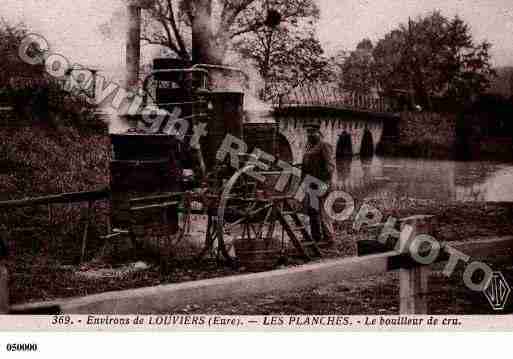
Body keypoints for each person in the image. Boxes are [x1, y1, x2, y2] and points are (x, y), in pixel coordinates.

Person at [302, 123, 336, 244]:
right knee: (312, 211)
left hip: (321, 183)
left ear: (318, 132)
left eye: (312, 132)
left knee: (323, 211)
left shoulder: (324, 145)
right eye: (308, 132)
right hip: (310, 183)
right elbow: (305, 165)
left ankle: (329, 238)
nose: (309, 134)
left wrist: (325, 183)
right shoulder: (309, 146)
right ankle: (317, 237)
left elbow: (330, 166)